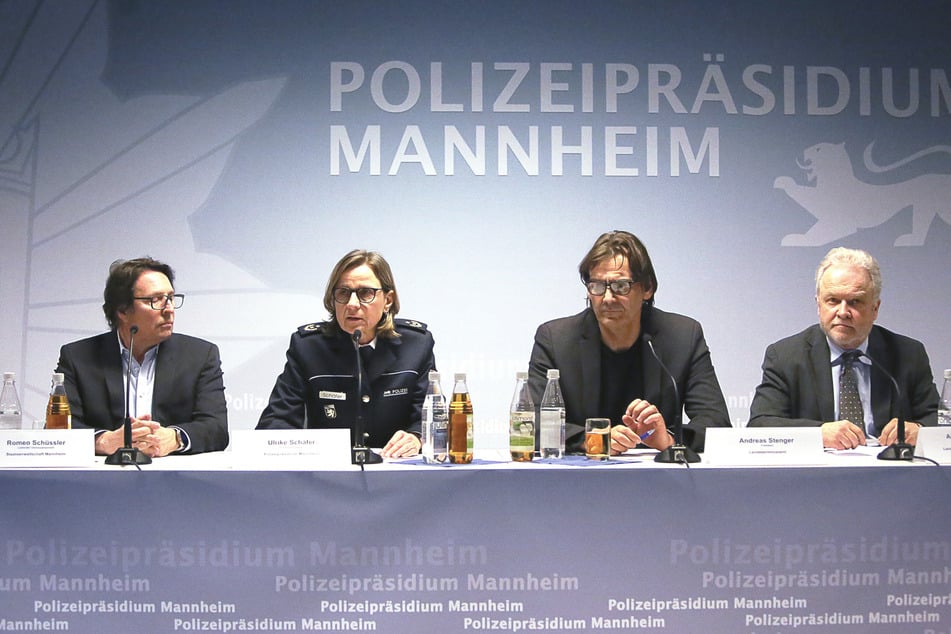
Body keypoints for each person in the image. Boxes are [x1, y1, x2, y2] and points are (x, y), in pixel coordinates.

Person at [528, 230, 730, 455]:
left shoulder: (682, 336)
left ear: (647, 288)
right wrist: (594, 439)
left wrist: (668, 440)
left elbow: (716, 423)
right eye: (596, 286)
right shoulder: (556, 339)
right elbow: (531, 424)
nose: (607, 298)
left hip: (659, 481)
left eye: (621, 286)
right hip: (581, 477)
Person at [748, 247, 939, 449]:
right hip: (818, 476)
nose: (842, 312)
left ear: (875, 308)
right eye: (833, 300)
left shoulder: (908, 354)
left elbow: (938, 419)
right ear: (818, 305)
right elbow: (761, 425)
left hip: (892, 474)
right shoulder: (785, 356)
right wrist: (818, 434)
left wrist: (919, 429)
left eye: (855, 302)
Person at [257, 250, 435, 458]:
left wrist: (416, 437)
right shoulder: (309, 347)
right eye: (343, 293)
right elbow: (277, 420)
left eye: (365, 293)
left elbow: (430, 415)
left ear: (387, 299)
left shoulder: (416, 344)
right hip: (330, 474)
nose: (351, 304)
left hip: (395, 470)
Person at [56, 258, 229, 456]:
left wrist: (174, 438)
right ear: (122, 310)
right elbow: (60, 428)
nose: (169, 309)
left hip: (174, 479)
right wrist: (103, 441)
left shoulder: (200, 355)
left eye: (171, 298)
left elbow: (217, 428)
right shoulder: (78, 357)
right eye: (155, 300)